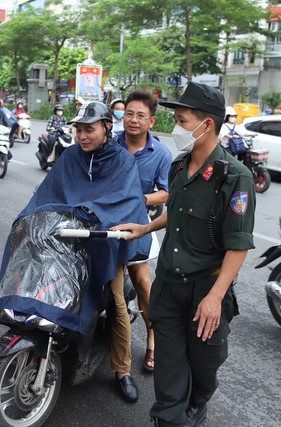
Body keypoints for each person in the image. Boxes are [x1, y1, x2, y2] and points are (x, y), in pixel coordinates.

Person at [112, 82, 255, 427]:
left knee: (205, 368)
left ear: (207, 125)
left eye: (182, 119)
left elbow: (238, 245)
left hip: (205, 290)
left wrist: (215, 298)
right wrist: (144, 228)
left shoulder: (235, 177)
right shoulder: (178, 166)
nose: (176, 127)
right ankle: (172, 418)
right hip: (169, 286)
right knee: (170, 376)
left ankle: (196, 404)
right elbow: (174, 211)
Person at [0, 101, 151, 404]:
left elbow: (126, 202)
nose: (82, 136)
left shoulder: (123, 162)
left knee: (115, 301)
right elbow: (47, 194)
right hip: (67, 237)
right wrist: (28, 220)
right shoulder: (71, 156)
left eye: (89, 129)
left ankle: (121, 369)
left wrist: (93, 217)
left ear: (106, 127)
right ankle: (25, 332)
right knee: (32, 270)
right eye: (78, 129)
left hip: (102, 242)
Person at [114, 90, 172, 373]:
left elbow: (166, 194)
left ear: (151, 121)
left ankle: (153, 339)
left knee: (143, 283)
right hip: (106, 222)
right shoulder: (111, 144)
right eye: (128, 114)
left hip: (140, 224)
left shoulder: (161, 153)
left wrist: (139, 199)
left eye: (140, 116)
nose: (133, 120)